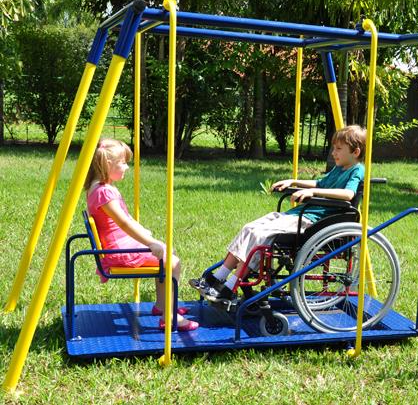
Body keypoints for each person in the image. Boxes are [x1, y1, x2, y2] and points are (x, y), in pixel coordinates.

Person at [190, 124, 366, 302]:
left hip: (312, 220)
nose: (333, 153)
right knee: (249, 228)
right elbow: (320, 183)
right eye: (333, 148)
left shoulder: (357, 170)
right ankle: (219, 277)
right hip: (298, 214)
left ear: (355, 152)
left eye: (338, 149)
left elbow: (348, 194)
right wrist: (292, 181)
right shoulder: (338, 168)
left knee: (259, 236)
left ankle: (230, 286)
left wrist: (313, 193)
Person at [85, 138, 198, 332]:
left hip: (117, 245)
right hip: (119, 252)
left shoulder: (97, 188)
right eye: (123, 163)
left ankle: (162, 305)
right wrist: (151, 242)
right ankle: (170, 316)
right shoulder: (104, 193)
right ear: (107, 164)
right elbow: (124, 223)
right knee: (172, 262)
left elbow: (123, 221)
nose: (127, 167)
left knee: (167, 253)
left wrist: (148, 237)